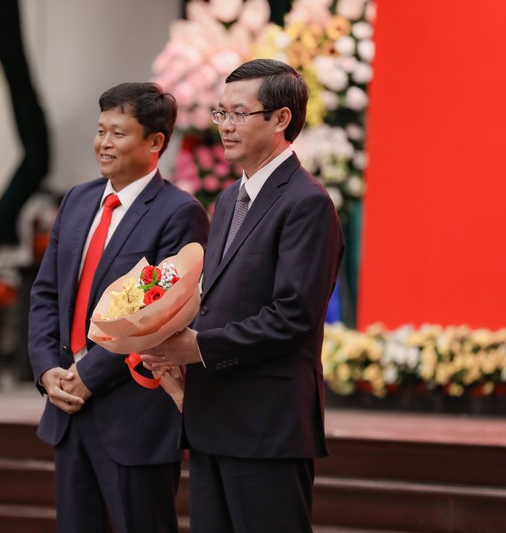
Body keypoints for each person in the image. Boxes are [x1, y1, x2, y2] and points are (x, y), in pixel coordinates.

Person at [142, 59, 345, 531]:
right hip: (213, 417)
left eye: (239, 113)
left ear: (281, 119)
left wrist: (198, 347)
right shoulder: (231, 198)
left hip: (265, 425)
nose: (225, 126)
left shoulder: (306, 202)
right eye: (221, 113)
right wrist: (166, 334)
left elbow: (293, 316)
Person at [28, 82, 209, 533]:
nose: (104, 143)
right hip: (68, 407)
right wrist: (48, 370)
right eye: (100, 131)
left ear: (155, 142)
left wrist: (88, 375)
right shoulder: (76, 200)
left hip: (134, 416)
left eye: (118, 133)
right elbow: (46, 293)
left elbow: (162, 316)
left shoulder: (178, 212)